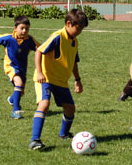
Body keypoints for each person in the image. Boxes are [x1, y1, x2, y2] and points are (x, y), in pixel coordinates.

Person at [28, 9, 88, 150]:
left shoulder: (74, 41)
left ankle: (64, 134)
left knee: (70, 109)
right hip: (46, 78)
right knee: (44, 104)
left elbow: (73, 62)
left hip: (61, 80)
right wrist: (40, 73)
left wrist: (77, 80)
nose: (80, 32)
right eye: (78, 28)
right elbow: (39, 51)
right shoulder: (57, 37)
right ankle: (35, 140)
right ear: (68, 23)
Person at [0, 16, 39, 119]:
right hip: (10, 66)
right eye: (22, 28)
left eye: (27, 28)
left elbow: (40, 48)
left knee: (21, 92)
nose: (24, 31)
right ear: (15, 28)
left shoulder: (29, 40)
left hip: (22, 67)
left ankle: (12, 100)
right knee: (19, 83)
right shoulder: (8, 38)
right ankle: (15, 111)